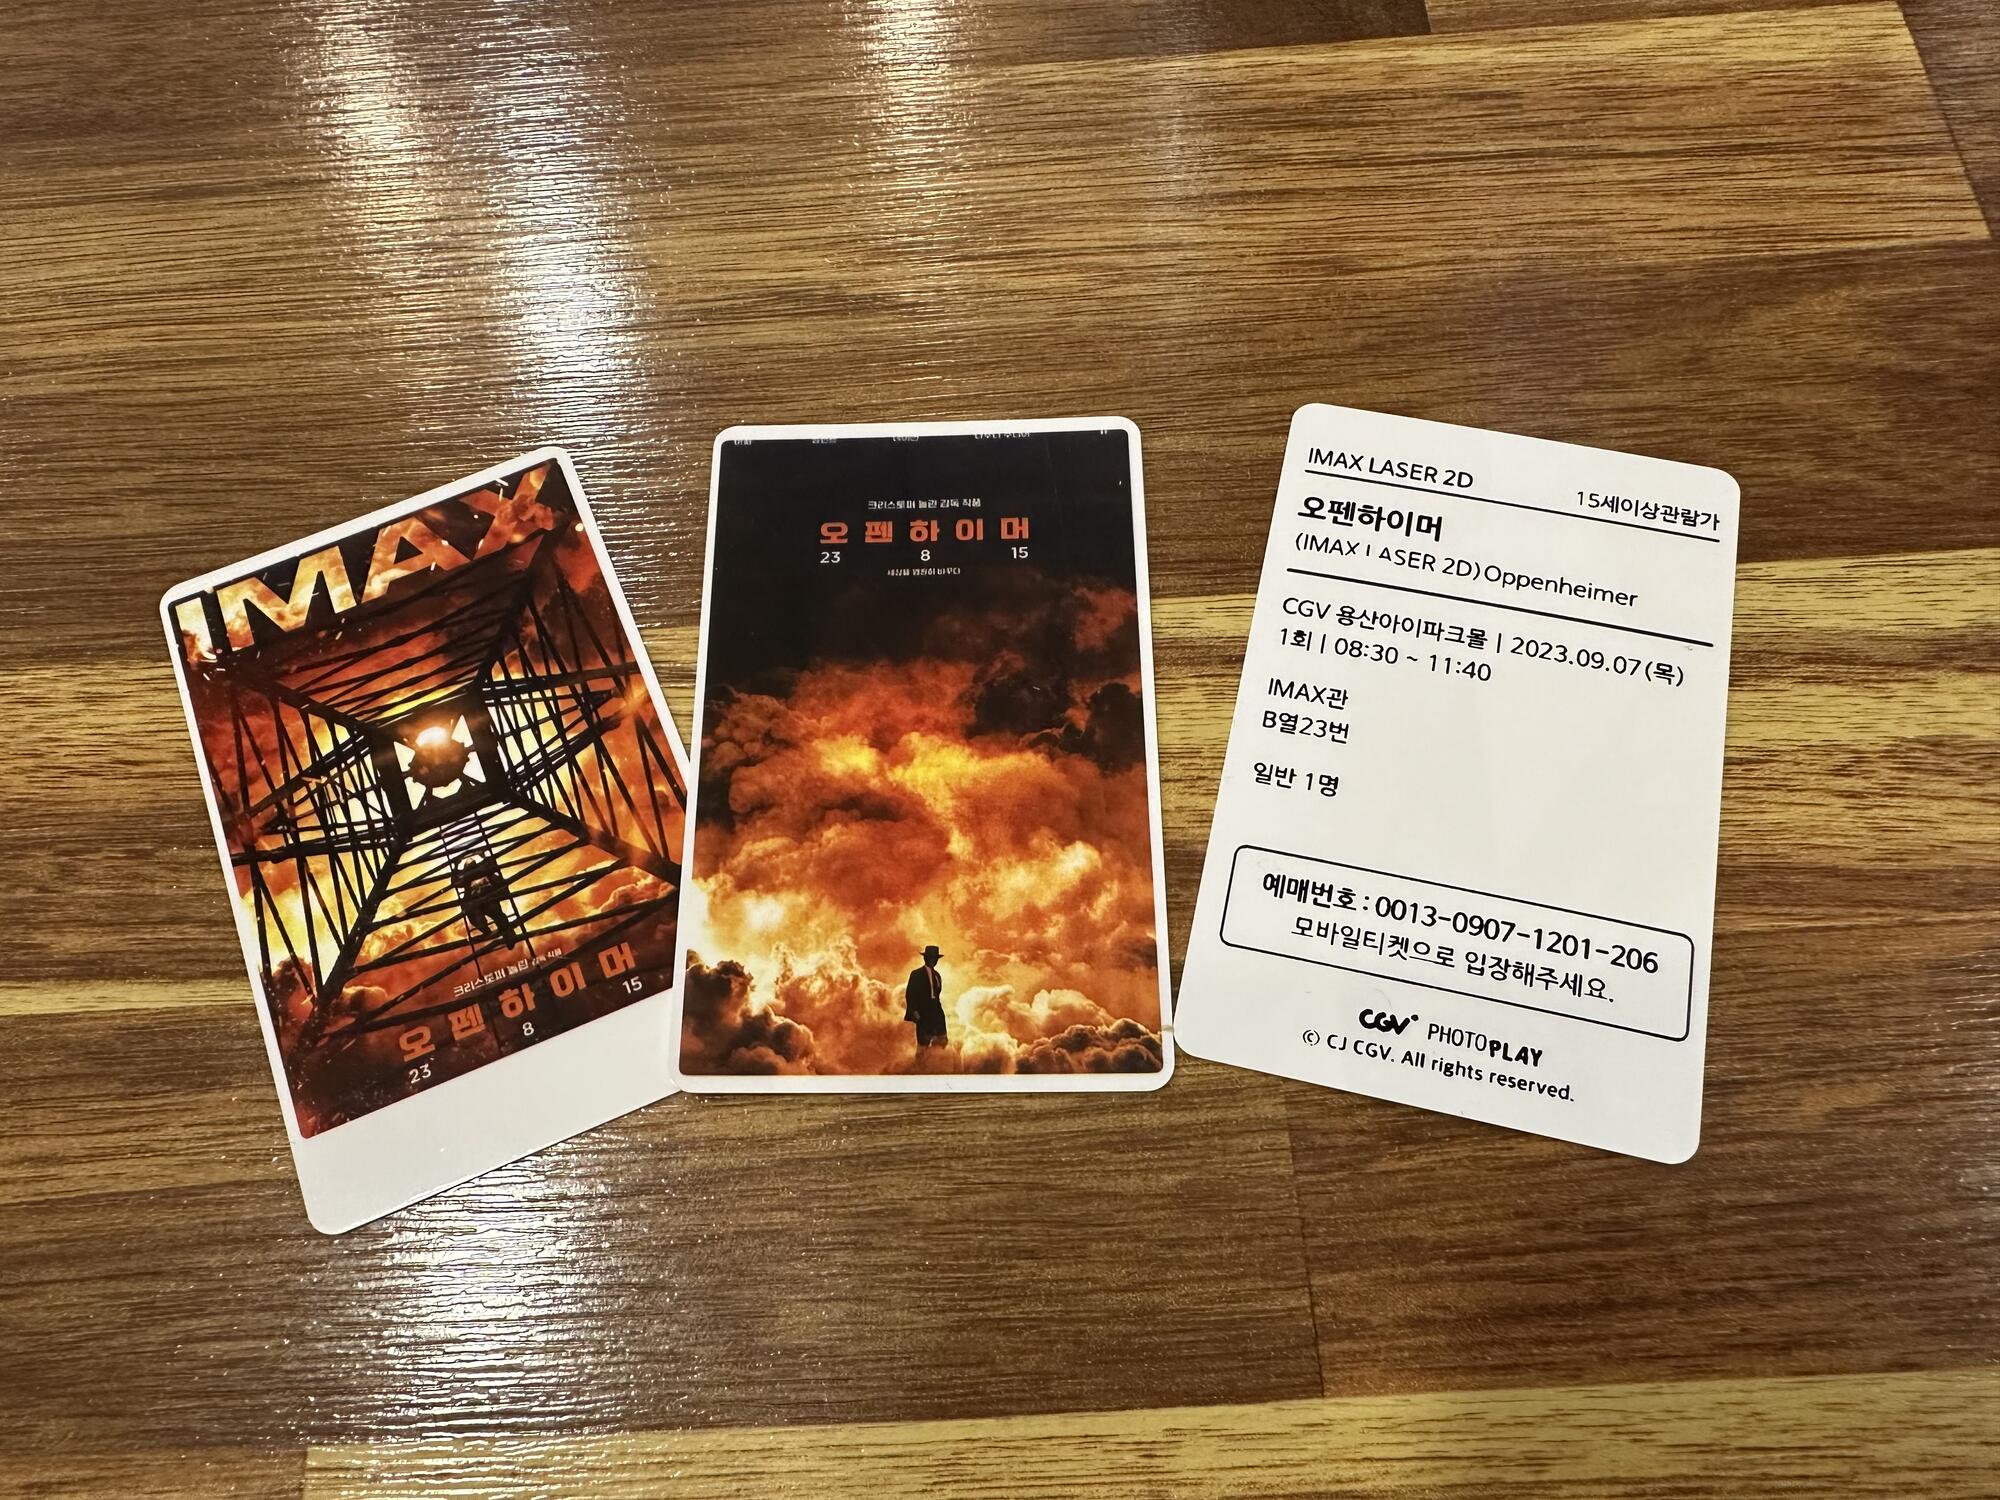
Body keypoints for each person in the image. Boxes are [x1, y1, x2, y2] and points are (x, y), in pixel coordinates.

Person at [455, 853, 523, 945]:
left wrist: (456, 866)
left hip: (485, 898)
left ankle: (506, 936)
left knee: (494, 915)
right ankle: (506, 935)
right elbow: (492, 865)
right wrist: (483, 856)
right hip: (482, 899)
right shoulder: (481, 869)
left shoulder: (470, 873)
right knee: (493, 916)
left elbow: (456, 881)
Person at [903, 944, 949, 1049]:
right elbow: (910, 994)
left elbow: (937, 995)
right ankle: (922, 1060)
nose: (934, 961)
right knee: (923, 1044)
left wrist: (939, 1013)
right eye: (931, 958)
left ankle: (937, 1058)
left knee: (941, 1041)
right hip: (923, 1013)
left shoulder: (937, 976)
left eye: (935, 959)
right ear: (925, 958)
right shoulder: (916, 974)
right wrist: (914, 1012)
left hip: (937, 1013)